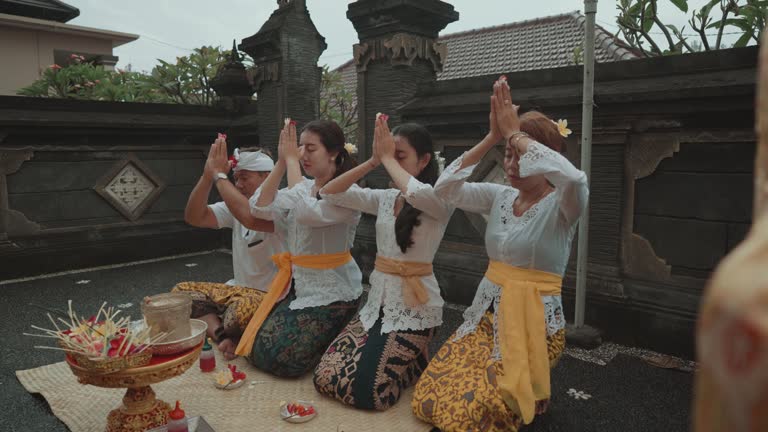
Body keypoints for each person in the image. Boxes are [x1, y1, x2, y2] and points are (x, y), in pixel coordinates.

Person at [412, 76, 589, 431]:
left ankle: (532, 385)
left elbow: (574, 179)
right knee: (428, 398)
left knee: (470, 415)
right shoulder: (499, 196)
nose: (511, 163)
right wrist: (494, 136)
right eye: (507, 155)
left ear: (544, 160)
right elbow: (445, 188)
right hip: (485, 321)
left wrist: (515, 134)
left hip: (532, 329)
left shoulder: (563, 205)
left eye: (521, 155)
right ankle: (530, 392)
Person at [313, 118, 453, 410]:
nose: (393, 163)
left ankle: (415, 363)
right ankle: (410, 360)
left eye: (400, 156)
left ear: (425, 160)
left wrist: (387, 159)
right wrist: (374, 161)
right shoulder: (385, 199)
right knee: (325, 377)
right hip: (376, 306)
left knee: (369, 393)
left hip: (416, 310)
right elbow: (329, 192)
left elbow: (416, 194)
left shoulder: (438, 200)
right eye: (391, 155)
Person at [210, 119, 364, 378]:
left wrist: (291, 163)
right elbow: (258, 206)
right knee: (257, 348)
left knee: (282, 361)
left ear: (334, 153)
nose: (302, 154)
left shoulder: (348, 191)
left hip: (335, 293)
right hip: (300, 287)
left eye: (310, 148)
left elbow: (306, 211)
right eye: (299, 147)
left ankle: (338, 331)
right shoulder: (302, 188)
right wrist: (282, 162)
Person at [172, 139, 282, 360]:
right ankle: (223, 337)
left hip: (272, 298)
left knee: (239, 312)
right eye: (236, 178)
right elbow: (194, 216)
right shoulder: (236, 205)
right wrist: (207, 177)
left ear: (267, 176)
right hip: (237, 291)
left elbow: (250, 219)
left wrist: (219, 177)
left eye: (244, 177)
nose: (238, 184)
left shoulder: (283, 204)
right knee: (180, 294)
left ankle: (229, 329)